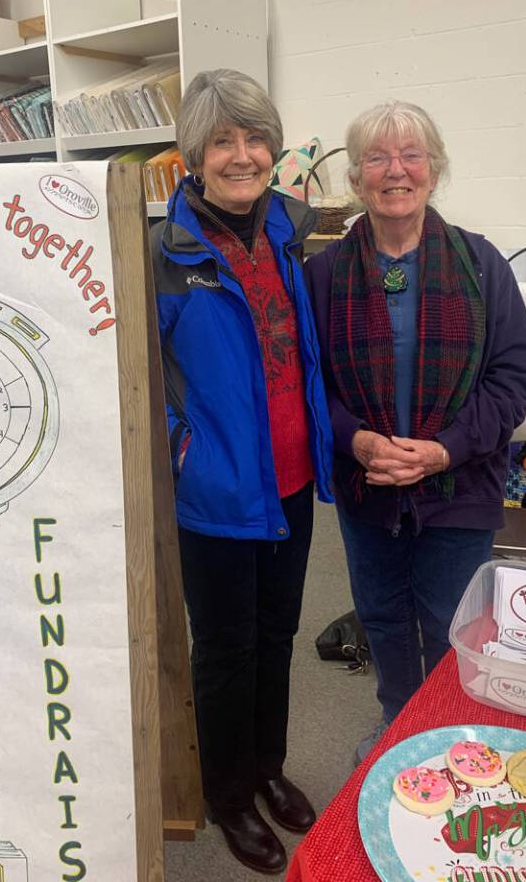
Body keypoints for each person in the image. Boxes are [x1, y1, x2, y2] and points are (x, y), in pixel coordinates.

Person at [305, 101, 526, 758]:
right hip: (367, 486)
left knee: (451, 625)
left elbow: (516, 373)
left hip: (459, 489)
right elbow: (305, 380)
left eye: (411, 156)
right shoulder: (322, 275)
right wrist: (353, 439)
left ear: (433, 171)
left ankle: (445, 735)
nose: (396, 170)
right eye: (377, 157)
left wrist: (445, 450)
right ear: (357, 179)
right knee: (381, 619)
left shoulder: (481, 264)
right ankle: (398, 729)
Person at [150, 68, 333, 874]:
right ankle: (228, 795)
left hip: (291, 478)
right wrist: (178, 447)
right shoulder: (165, 253)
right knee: (224, 649)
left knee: (278, 635)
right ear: (193, 154)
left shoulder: (291, 226)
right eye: (222, 139)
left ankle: (267, 766)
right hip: (217, 492)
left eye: (254, 137)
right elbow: (135, 374)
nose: (241, 153)